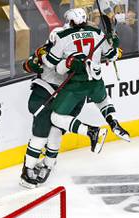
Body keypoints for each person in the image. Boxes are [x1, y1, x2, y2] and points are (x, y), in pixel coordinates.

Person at [41, 8, 129, 154]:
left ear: (70, 21)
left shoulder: (62, 36)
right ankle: (114, 123)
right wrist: (114, 40)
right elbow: (112, 55)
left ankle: (91, 132)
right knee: (103, 101)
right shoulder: (97, 33)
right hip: (96, 81)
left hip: (75, 84)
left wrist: (43, 54)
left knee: (56, 117)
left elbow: (50, 63)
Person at [20, 26, 87, 189]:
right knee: (40, 135)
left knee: (56, 133)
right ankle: (27, 170)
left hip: (63, 97)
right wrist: (33, 64)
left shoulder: (74, 55)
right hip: (44, 94)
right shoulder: (44, 51)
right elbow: (27, 65)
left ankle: (48, 164)